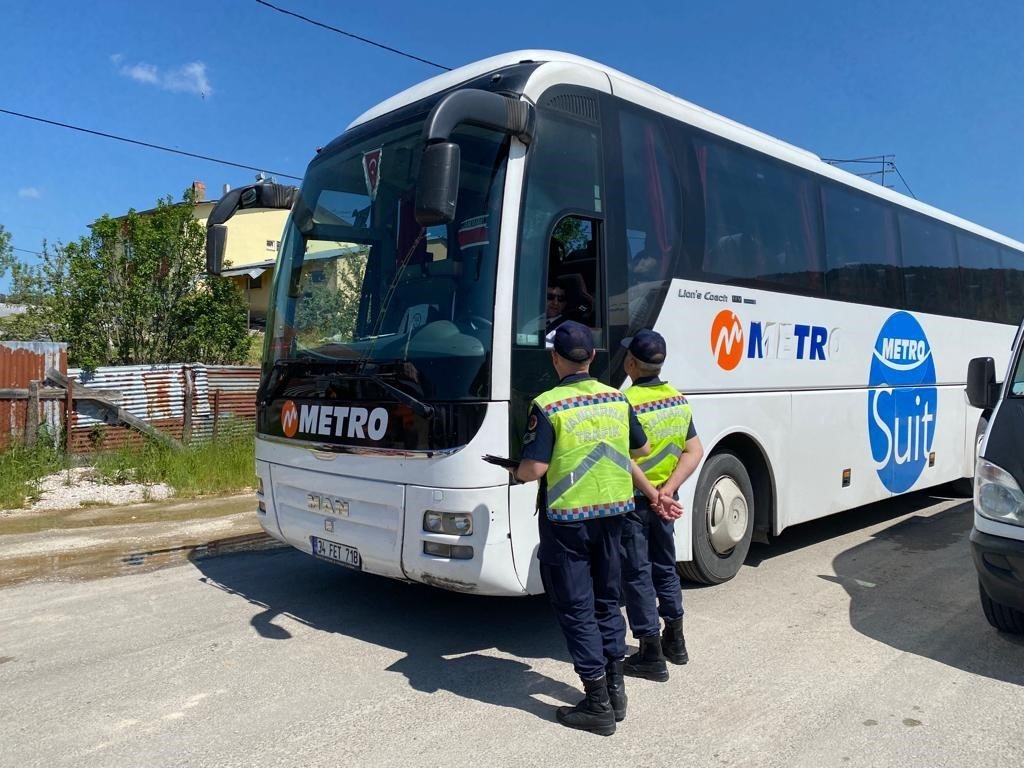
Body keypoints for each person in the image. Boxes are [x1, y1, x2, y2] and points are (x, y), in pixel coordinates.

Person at [511, 321, 653, 736]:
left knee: (576, 607)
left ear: (556, 359)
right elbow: (641, 448)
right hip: (614, 516)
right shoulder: (616, 397)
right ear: (591, 357)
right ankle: (616, 690)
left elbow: (534, 469)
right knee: (608, 602)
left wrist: (517, 472)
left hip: (568, 521)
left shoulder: (547, 404)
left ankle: (597, 704)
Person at [619, 329, 704, 682]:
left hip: (637, 501)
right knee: (665, 566)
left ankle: (650, 654)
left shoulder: (624, 402)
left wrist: (653, 495)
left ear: (632, 363)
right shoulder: (677, 400)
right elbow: (694, 450)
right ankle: (677, 642)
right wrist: (668, 491)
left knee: (638, 572)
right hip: (666, 500)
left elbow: (624, 458)